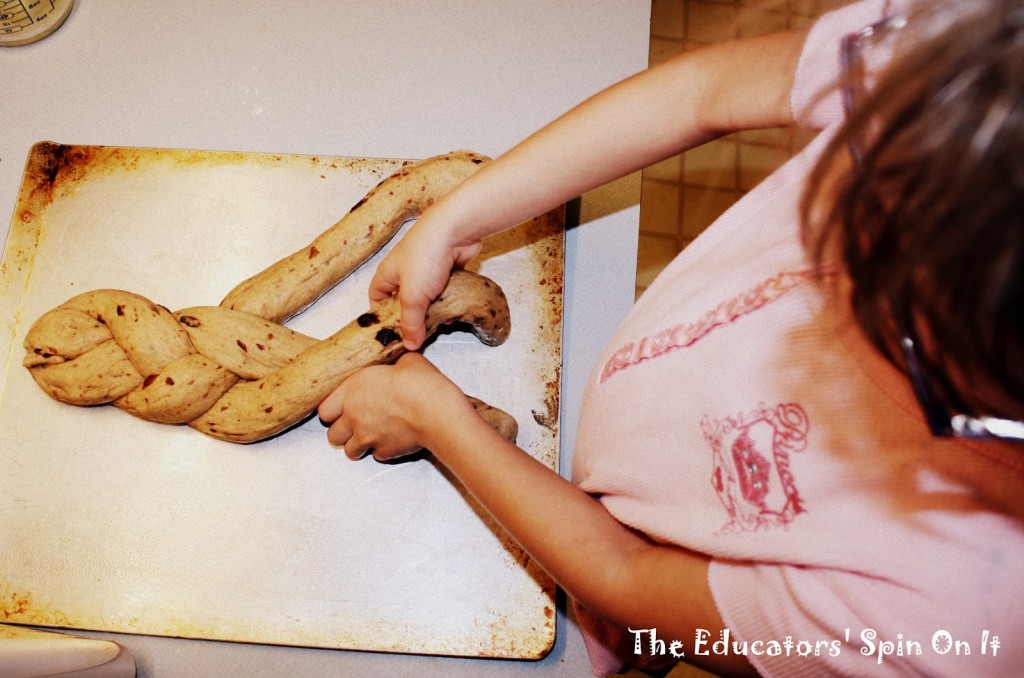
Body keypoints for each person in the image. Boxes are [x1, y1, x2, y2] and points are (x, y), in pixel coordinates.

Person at [318, 0, 1024, 674]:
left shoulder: (960, 627)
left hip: (658, 556)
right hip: (643, 449)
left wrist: (439, 421)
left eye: (884, 304)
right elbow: (702, 92)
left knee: (644, 630)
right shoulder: (980, 76)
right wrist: (461, 217)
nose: (830, 265)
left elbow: (626, 573)